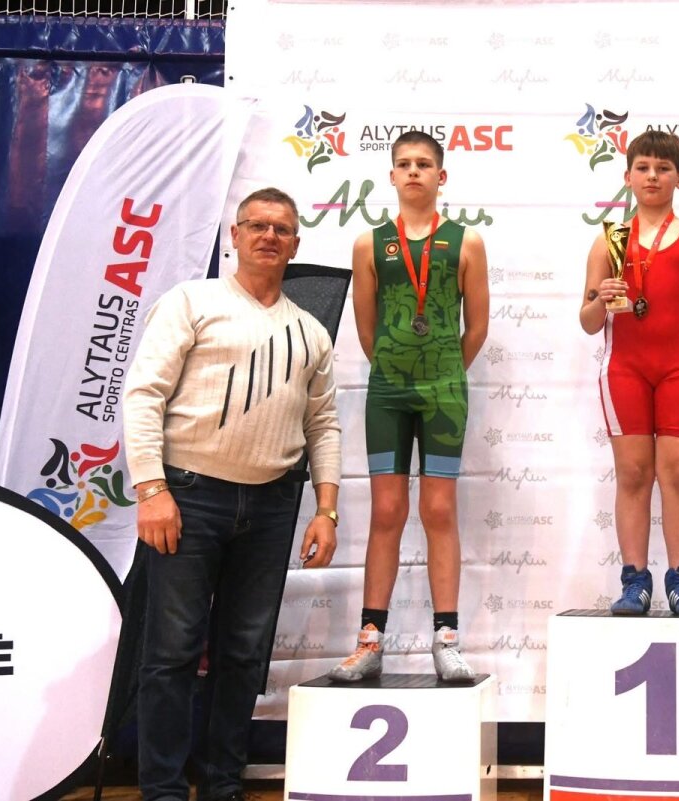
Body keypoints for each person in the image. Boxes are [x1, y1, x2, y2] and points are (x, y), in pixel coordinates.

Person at [124, 186, 341, 801]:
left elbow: (324, 425)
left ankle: (223, 785)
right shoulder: (191, 301)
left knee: (244, 654)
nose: (269, 236)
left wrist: (326, 509)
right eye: (258, 225)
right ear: (236, 236)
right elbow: (143, 394)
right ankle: (163, 790)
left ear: (295, 245)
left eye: (282, 229)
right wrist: (151, 489)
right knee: (171, 652)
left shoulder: (311, 332)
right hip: (188, 497)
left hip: (272, 507)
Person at [330, 130, 489, 683]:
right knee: (387, 511)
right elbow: (366, 328)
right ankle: (370, 641)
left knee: (439, 510)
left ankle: (446, 639)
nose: (414, 171)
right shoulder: (369, 244)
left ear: (441, 177)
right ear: (392, 176)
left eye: (424, 164)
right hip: (388, 394)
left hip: (444, 392)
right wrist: (397, 371)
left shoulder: (466, 242)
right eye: (404, 164)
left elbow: (477, 327)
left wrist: (443, 373)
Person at [578, 130, 679, 617]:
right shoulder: (609, 240)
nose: (652, 176)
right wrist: (600, 298)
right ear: (627, 176)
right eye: (643, 167)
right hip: (625, 370)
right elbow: (588, 321)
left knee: (678, 473)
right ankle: (634, 581)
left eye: (663, 169)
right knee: (633, 473)